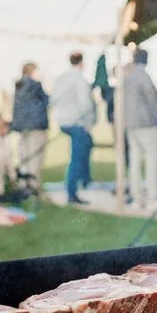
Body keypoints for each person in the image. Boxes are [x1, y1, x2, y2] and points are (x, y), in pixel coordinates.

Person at [51, 51, 96, 204]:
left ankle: (85, 179)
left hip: (63, 121)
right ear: (82, 62)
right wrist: (89, 123)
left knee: (88, 144)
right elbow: (86, 104)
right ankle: (73, 191)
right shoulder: (80, 79)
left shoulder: (61, 78)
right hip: (77, 122)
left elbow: (54, 99)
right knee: (77, 158)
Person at [124, 48, 157, 211]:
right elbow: (152, 101)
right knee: (151, 160)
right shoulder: (144, 77)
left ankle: (137, 198)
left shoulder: (128, 78)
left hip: (131, 124)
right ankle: (153, 198)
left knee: (135, 161)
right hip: (147, 124)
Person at [9, 62, 49, 194]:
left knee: (25, 157)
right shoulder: (35, 85)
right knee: (35, 158)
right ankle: (34, 187)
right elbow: (46, 101)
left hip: (22, 128)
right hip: (36, 127)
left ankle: (23, 185)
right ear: (32, 71)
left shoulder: (19, 86)